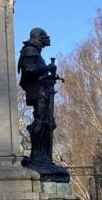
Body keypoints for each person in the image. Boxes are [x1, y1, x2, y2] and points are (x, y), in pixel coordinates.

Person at [18, 28, 70, 182]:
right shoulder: (30, 50)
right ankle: (38, 156)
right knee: (41, 121)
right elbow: (28, 70)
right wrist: (47, 68)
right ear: (39, 38)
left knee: (47, 122)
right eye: (45, 38)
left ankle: (43, 156)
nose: (47, 41)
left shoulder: (35, 51)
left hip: (43, 90)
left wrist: (49, 76)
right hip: (38, 92)